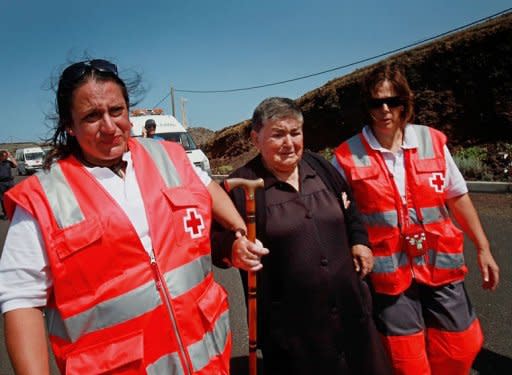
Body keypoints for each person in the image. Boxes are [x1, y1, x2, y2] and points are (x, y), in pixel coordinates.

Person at [0, 58, 257, 374]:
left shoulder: (169, 156)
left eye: (116, 111)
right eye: (92, 116)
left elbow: (206, 187)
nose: (109, 127)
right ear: (70, 125)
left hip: (209, 360)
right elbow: (20, 302)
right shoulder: (42, 198)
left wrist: (238, 230)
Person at [332, 63, 500, 375]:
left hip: (440, 264)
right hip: (389, 276)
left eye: (393, 101)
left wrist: (483, 247)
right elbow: (333, 214)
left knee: (461, 346)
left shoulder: (432, 142)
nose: (385, 110)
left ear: (405, 103)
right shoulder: (346, 155)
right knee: (405, 361)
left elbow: (458, 197)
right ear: (366, 107)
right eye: (376, 102)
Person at [212, 97, 392, 374]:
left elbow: (350, 209)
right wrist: (233, 248)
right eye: (278, 134)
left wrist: (359, 241)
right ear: (255, 138)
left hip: (351, 312)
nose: (289, 143)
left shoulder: (320, 168)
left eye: (295, 133)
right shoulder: (242, 186)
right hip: (293, 331)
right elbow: (214, 242)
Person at [0, 150, 17, 220]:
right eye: (4, 155)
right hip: (1, 183)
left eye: (6, 156)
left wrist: (10, 156)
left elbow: (15, 165)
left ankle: (14, 212)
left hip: (10, 182)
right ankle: (6, 213)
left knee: (12, 197)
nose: (5, 157)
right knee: (3, 199)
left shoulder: (8, 162)